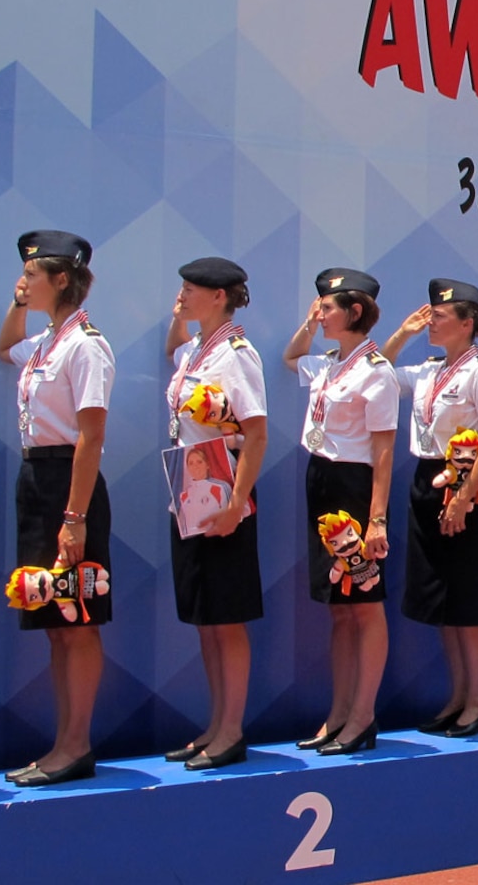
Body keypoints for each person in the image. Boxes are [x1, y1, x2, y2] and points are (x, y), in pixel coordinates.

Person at [0, 230, 114, 786]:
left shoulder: (85, 344)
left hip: (71, 484)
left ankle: (77, 743)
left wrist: (75, 517)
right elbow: (4, 347)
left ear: (62, 279)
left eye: (32, 274)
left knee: (77, 620)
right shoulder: (46, 341)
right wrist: (18, 301)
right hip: (37, 479)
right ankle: (61, 742)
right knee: (52, 618)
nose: (23, 281)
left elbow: (90, 437)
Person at [382, 279, 478, 737]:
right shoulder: (430, 370)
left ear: (467, 322)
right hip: (426, 481)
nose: (430, 321)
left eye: (439, 316)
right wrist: (402, 334)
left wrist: (463, 495)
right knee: (443, 599)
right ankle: (457, 696)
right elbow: (378, 372)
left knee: (469, 599)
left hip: (467, 485)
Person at [283, 268, 397, 754]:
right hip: (321, 482)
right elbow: (291, 357)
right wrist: (309, 325)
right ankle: (339, 712)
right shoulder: (329, 364)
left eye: (327, 307)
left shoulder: (377, 372)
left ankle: (363, 716)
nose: (320, 312)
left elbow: (384, 452)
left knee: (365, 606)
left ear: (354, 312)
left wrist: (376, 519)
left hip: (354, 488)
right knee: (339, 610)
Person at [162, 257, 267, 770]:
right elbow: (171, 349)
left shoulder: (236, 355)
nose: (181, 294)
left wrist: (235, 503)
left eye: (191, 289)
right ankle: (213, 724)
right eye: (182, 287)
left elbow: (257, 434)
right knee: (205, 618)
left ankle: (232, 730)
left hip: (224, 496)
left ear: (220, 295)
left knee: (226, 619)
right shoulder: (193, 351)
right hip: (188, 490)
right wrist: (181, 315)